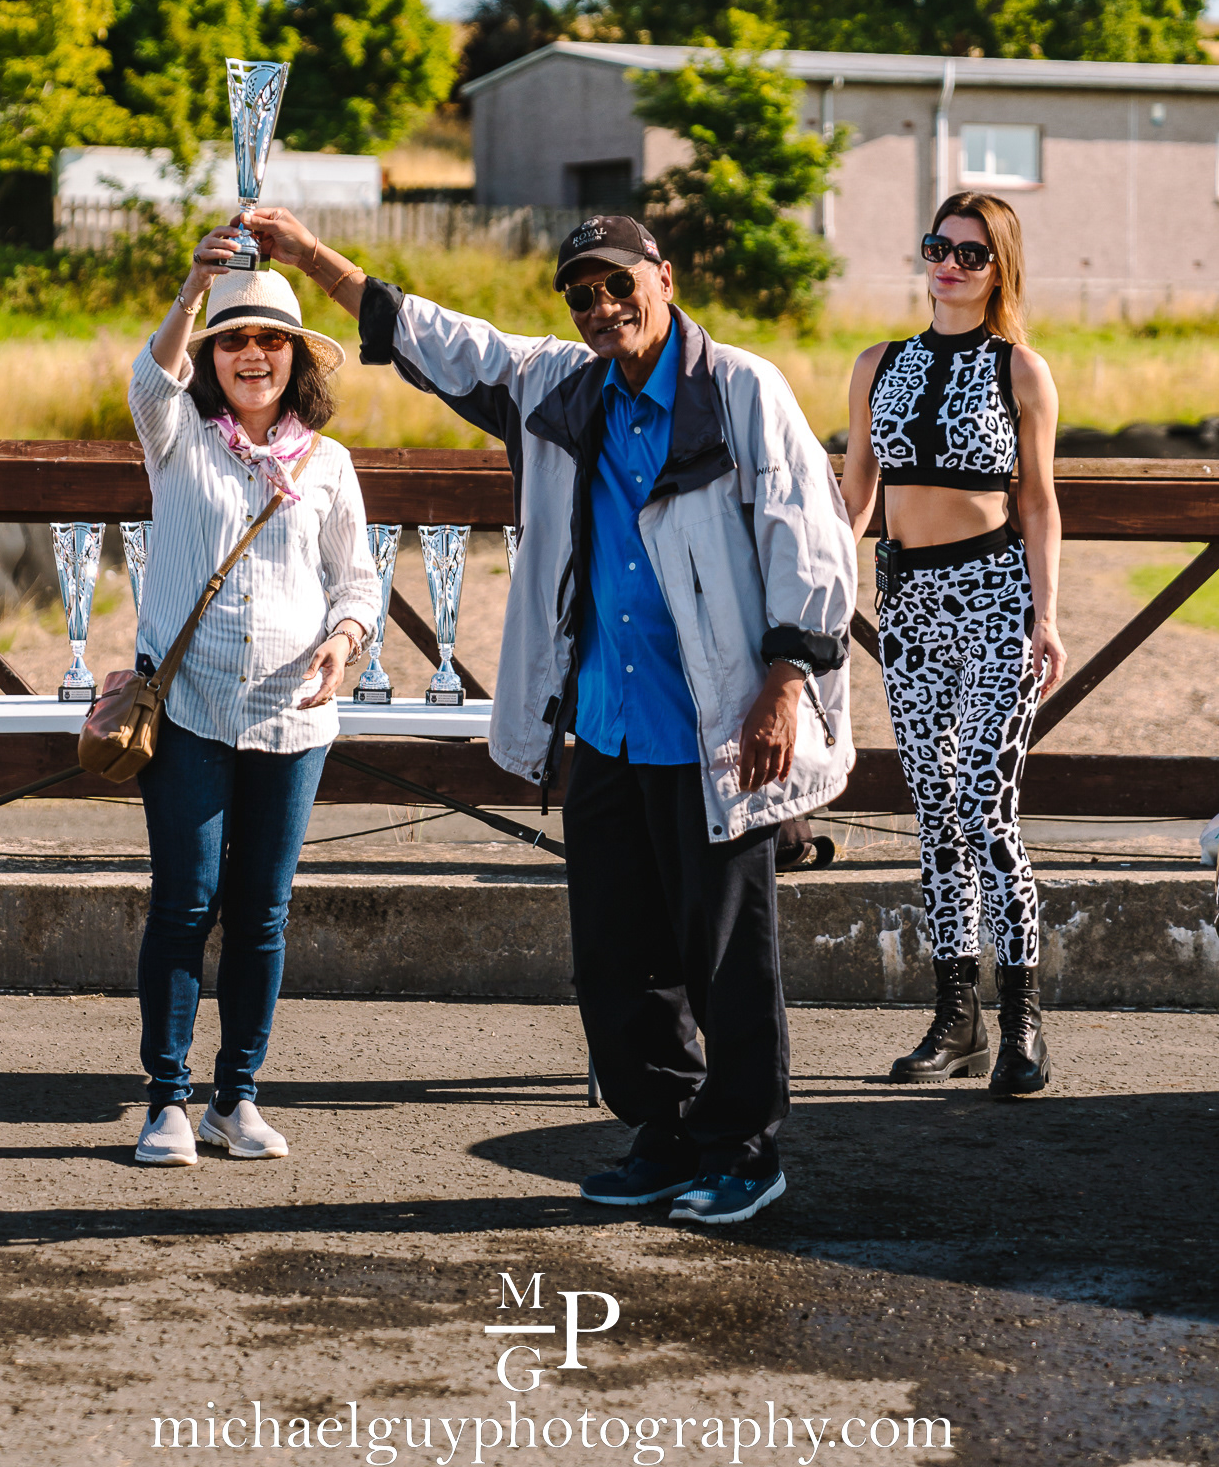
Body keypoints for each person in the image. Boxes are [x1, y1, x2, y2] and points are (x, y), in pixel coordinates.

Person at [245, 206, 857, 1227]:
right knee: (618, 956)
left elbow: (812, 538)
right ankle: (663, 1132)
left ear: (664, 277)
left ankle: (744, 1153)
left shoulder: (739, 388)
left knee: (725, 957)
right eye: (581, 293)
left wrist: (785, 683)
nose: (602, 305)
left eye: (618, 283)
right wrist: (309, 258)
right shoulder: (557, 387)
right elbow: (433, 336)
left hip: (714, 727)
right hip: (606, 724)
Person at [127, 239, 380, 1167]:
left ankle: (238, 1096)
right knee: (184, 905)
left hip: (294, 715)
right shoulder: (178, 439)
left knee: (263, 913)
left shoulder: (329, 464)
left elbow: (359, 581)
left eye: (272, 340)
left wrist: (344, 640)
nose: (253, 355)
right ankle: (167, 1100)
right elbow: (149, 384)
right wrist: (197, 284)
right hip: (189, 708)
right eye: (234, 340)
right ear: (213, 355)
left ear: (297, 357)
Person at [839, 191, 1066, 1096]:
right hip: (909, 606)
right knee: (934, 814)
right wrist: (816, 589)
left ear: (998, 269)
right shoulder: (878, 364)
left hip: (997, 599)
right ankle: (956, 1022)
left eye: (971, 254)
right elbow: (857, 494)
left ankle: (1021, 1024)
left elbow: (1040, 502)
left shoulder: (1022, 370)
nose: (950, 265)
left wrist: (1047, 616)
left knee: (983, 806)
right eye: (940, 246)